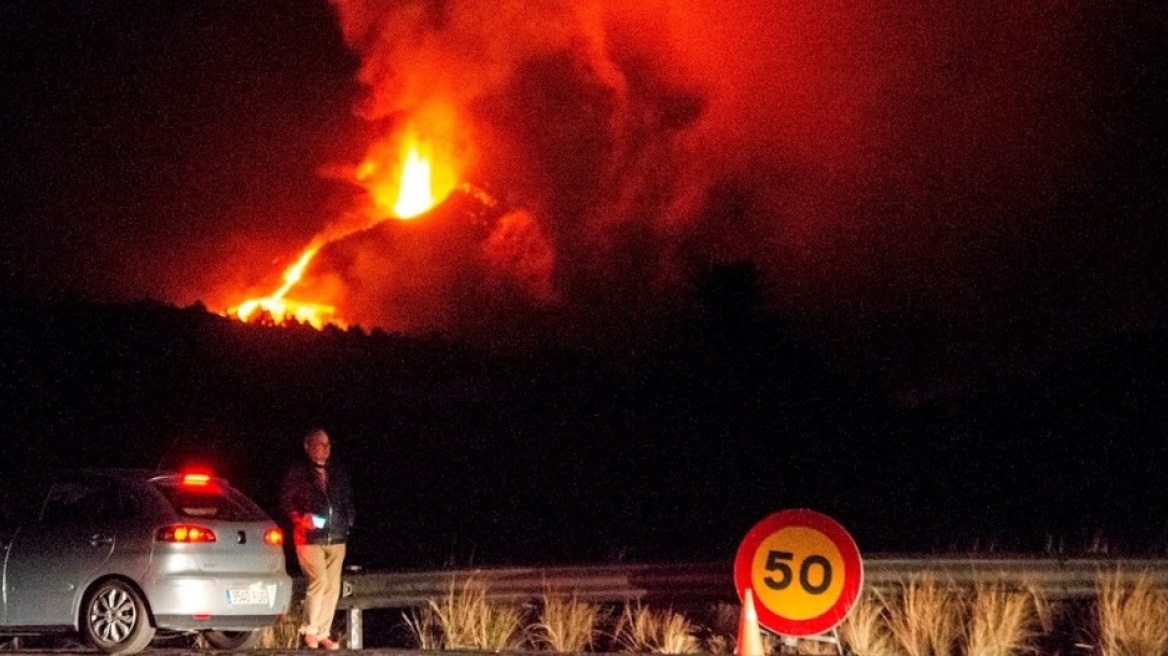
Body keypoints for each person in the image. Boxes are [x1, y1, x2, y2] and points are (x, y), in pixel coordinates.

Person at [280, 428, 355, 650]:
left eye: (328, 445)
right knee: (319, 580)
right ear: (308, 446)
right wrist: (300, 519)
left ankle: (323, 632)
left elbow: (347, 499)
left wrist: (349, 520)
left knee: (333, 586)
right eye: (320, 444)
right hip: (309, 538)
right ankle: (309, 630)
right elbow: (286, 502)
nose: (325, 449)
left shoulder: (337, 472)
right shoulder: (298, 472)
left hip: (337, 537)